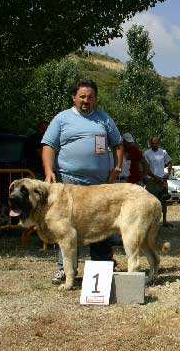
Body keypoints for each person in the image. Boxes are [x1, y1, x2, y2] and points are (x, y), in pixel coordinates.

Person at [41, 78, 123, 285]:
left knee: (102, 224)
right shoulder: (61, 118)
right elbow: (49, 146)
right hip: (69, 183)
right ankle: (64, 270)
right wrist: (48, 170)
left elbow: (118, 144)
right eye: (82, 96)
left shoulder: (104, 119)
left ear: (95, 98)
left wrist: (117, 168)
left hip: (100, 185)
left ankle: (103, 267)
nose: (86, 100)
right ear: (74, 97)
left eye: (90, 97)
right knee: (64, 228)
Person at [144, 136, 173, 227]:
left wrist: (168, 173)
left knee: (163, 200)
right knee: (151, 202)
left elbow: (169, 162)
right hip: (151, 180)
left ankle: (164, 221)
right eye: (153, 143)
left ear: (159, 143)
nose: (155, 145)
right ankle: (151, 222)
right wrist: (154, 176)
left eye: (156, 143)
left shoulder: (163, 152)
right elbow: (146, 168)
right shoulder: (146, 153)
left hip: (162, 179)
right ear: (150, 143)